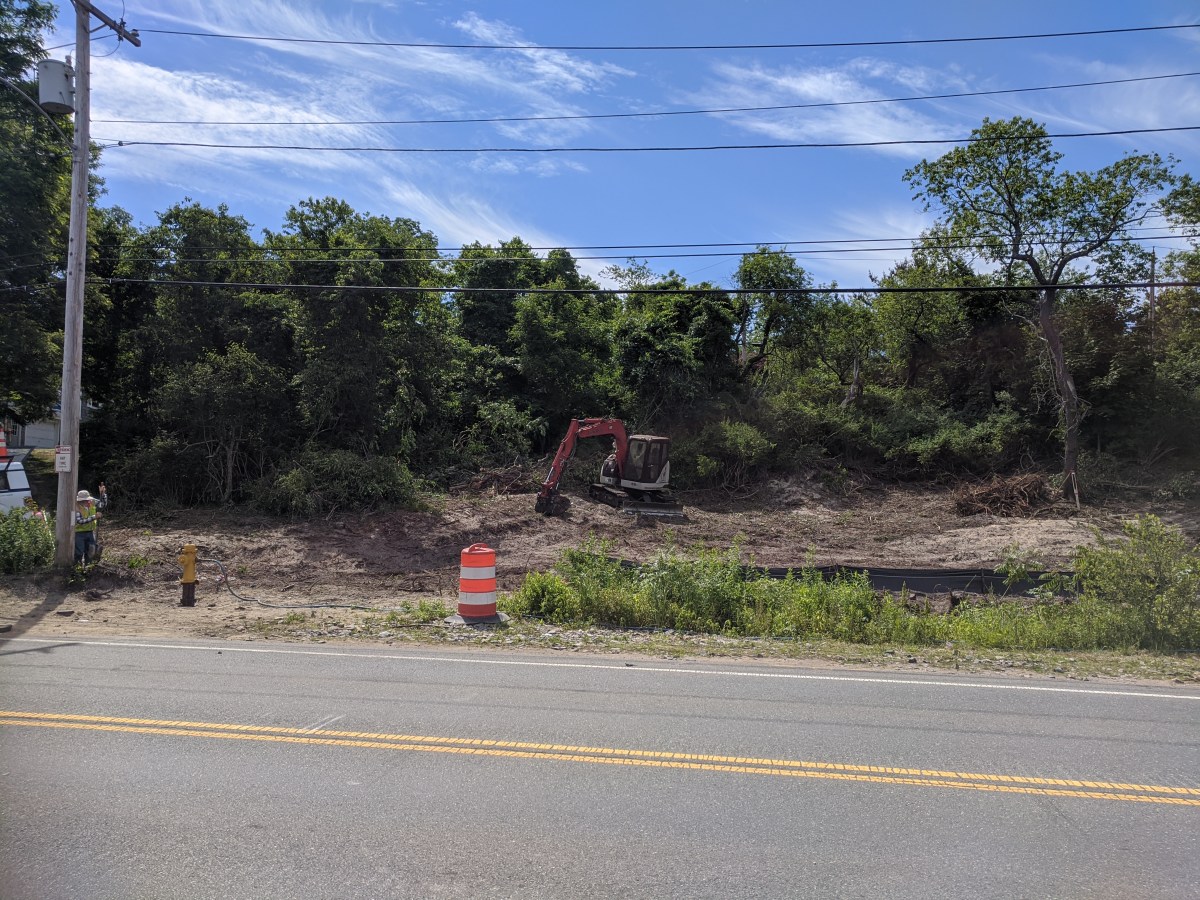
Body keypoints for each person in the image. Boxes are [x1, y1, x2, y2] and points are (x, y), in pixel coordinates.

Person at [74, 488, 102, 566]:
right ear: (80, 501)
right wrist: (94, 517)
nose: (87, 502)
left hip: (90, 531)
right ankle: (77, 569)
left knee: (90, 551)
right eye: (85, 500)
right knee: (79, 552)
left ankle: (88, 567)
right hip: (79, 533)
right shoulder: (77, 508)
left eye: (87, 500)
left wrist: (103, 494)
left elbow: (102, 504)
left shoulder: (91, 503)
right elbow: (80, 521)